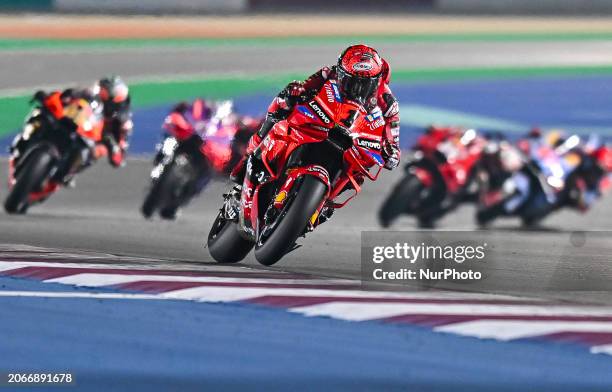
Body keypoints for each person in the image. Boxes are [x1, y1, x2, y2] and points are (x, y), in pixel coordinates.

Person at [230, 44, 401, 184]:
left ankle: (322, 208)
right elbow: (304, 86)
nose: (356, 88)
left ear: (377, 81)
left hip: (353, 139)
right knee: (283, 101)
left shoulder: (388, 102)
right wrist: (296, 92)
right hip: (324, 120)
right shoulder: (329, 72)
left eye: (364, 84)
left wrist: (391, 152)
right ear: (341, 72)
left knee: (358, 176)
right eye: (350, 81)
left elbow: (394, 142)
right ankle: (249, 157)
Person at [12, 76, 132, 168]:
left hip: (86, 140)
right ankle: (23, 140)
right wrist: (48, 98)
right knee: (40, 113)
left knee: (90, 153)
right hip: (67, 122)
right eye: (102, 93)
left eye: (106, 97)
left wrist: (111, 146)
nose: (102, 97)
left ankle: (67, 172)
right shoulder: (86, 95)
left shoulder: (120, 123)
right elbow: (63, 96)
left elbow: (119, 157)